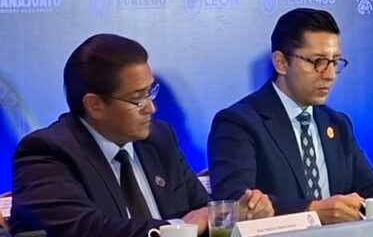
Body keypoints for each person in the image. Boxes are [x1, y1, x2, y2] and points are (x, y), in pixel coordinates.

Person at [12, 34, 272, 237]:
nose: (151, 108)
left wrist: (235, 216)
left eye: (150, 92)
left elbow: (201, 210)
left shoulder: (159, 139)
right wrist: (177, 229)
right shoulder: (46, 153)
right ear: (94, 105)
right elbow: (85, 229)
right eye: (137, 99)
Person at [208, 8, 373, 225]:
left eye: (335, 62)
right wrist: (312, 210)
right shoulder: (239, 123)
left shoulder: (337, 123)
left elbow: (370, 186)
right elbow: (235, 204)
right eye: (318, 62)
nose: (330, 75)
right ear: (281, 63)